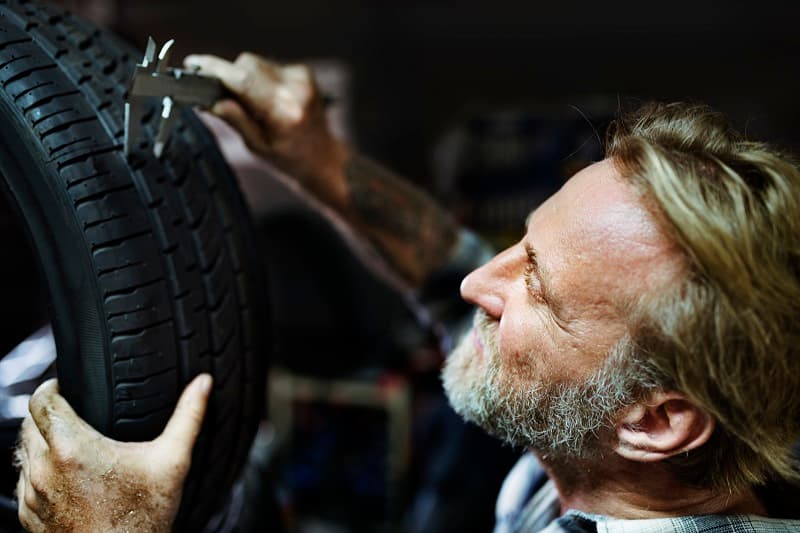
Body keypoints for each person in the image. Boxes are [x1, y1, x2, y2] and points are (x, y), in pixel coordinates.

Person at [14, 51, 800, 532]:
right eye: (518, 244)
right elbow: (445, 262)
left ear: (656, 419)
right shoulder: (609, 441)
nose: (475, 282)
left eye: (538, 288)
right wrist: (319, 156)